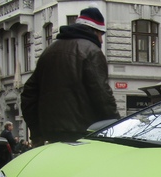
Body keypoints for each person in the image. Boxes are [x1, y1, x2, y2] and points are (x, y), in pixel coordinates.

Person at [20, 7, 120, 146]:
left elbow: (28, 95)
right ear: (94, 31)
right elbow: (102, 95)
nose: (101, 41)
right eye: (101, 34)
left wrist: (36, 132)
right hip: (83, 134)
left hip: (51, 135)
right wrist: (117, 126)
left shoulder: (49, 51)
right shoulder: (92, 51)